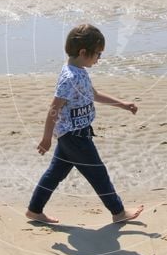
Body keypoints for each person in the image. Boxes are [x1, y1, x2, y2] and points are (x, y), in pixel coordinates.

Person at [26, 24, 144, 224]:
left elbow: (94, 95)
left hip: (73, 135)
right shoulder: (70, 78)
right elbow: (53, 108)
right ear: (83, 52)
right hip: (74, 137)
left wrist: (122, 104)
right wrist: (46, 138)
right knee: (99, 174)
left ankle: (34, 210)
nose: (99, 59)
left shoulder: (79, 70)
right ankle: (118, 212)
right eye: (98, 54)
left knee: (54, 174)